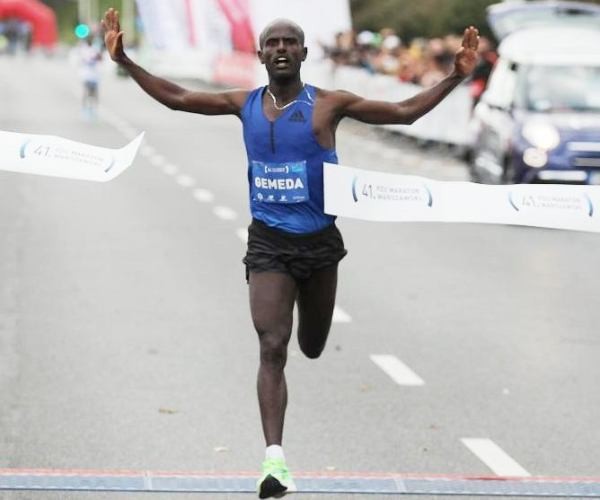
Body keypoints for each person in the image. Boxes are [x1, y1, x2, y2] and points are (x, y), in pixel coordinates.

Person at [102, 8, 479, 499]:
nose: (281, 48)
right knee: (271, 345)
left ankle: (304, 310)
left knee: (312, 345)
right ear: (259, 54)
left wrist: (454, 76)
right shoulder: (244, 103)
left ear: (303, 52)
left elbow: (404, 112)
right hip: (269, 244)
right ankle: (274, 461)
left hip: (319, 245)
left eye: (289, 42)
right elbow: (179, 98)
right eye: (272, 42)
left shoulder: (329, 104)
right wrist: (126, 61)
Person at [79, 35, 103, 119]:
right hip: (87, 75)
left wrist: (98, 55)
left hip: (94, 76)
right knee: (86, 93)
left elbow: (100, 58)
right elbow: (84, 59)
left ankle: (94, 109)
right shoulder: (84, 50)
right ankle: (84, 109)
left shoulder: (95, 49)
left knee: (94, 94)